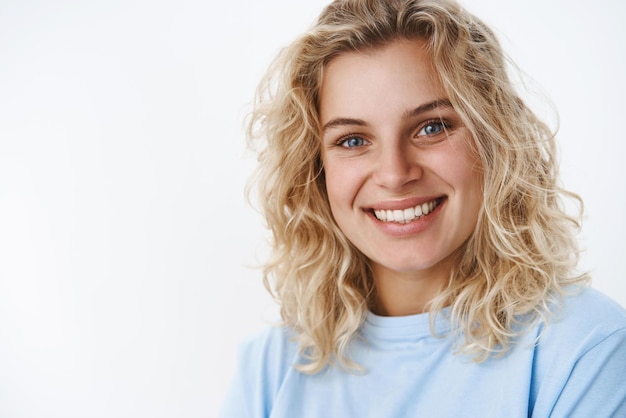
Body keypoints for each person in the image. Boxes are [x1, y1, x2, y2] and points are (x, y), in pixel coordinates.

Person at [221, 0, 626, 416]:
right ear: (315, 168)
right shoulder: (271, 368)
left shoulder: (586, 348)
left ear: (495, 140)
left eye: (431, 128)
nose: (395, 174)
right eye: (353, 140)